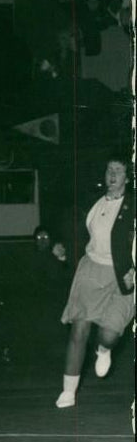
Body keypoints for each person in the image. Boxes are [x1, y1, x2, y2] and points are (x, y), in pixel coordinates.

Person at [55, 155, 135, 409]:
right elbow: (75, 230)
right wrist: (62, 245)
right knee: (79, 328)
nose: (112, 175)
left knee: (109, 334)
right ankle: (68, 391)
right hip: (91, 269)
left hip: (124, 276)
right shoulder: (93, 200)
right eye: (109, 170)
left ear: (128, 178)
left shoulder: (133, 206)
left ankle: (104, 349)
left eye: (118, 171)